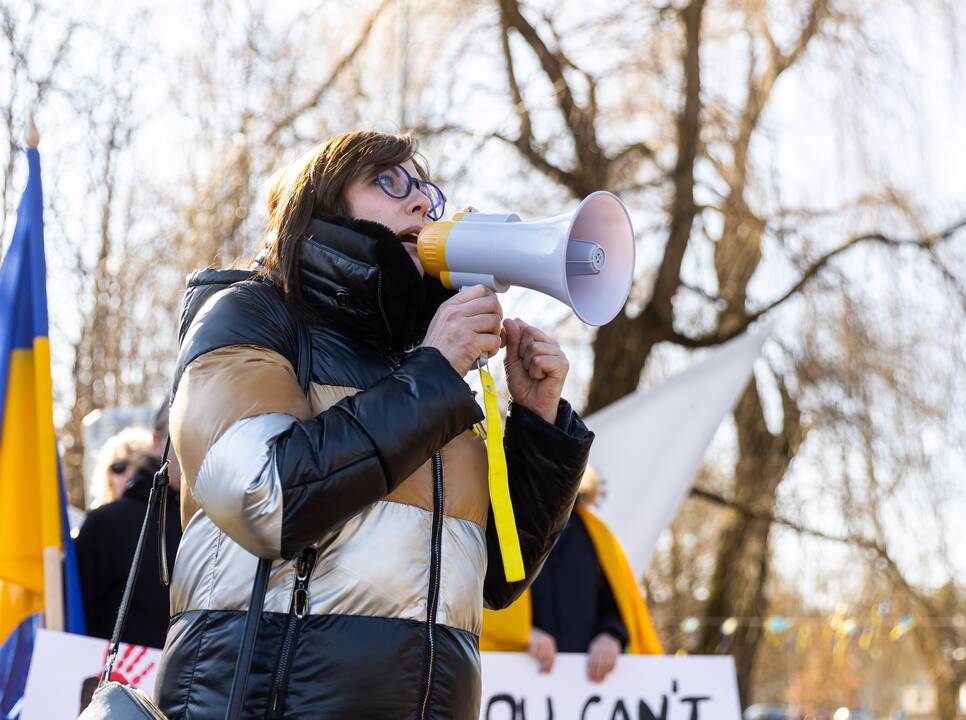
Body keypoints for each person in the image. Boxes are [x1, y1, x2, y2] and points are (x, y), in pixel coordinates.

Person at [153, 130, 594, 719]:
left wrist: (538, 424)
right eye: (390, 181)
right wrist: (433, 374)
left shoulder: (424, 365)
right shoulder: (248, 314)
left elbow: (499, 576)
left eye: (426, 191)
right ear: (323, 203)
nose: (420, 203)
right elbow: (264, 497)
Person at [480, 467, 662, 682]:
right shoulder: (499, 527)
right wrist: (525, 634)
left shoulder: (597, 536)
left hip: (583, 688)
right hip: (516, 680)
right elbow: (476, 599)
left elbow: (615, 606)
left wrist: (610, 635)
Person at [75, 412, 183, 649]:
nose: (125, 474)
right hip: (132, 674)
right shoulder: (102, 525)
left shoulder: (203, 524)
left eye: (132, 464)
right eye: (117, 466)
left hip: (135, 674)